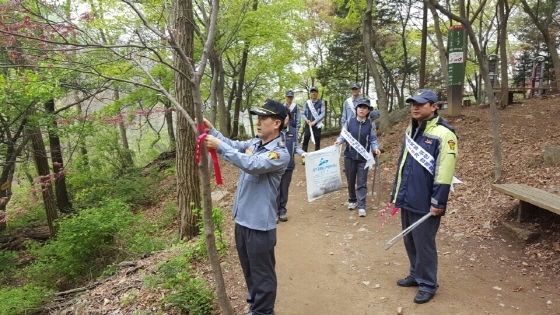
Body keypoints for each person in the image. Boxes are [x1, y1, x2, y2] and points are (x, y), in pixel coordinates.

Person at [204, 99, 290, 315]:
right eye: (258, 118)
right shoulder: (255, 144)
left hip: (260, 226)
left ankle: (263, 312)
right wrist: (212, 130)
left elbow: (252, 165)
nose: (258, 122)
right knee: (250, 271)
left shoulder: (279, 153)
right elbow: (233, 145)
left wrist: (219, 146)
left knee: (263, 275)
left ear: (277, 123)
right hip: (242, 221)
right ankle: (255, 307)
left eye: (263, 118)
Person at [390, 89, 458, 304]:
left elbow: (444, 171)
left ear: (434, 106)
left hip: (426, 201)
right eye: (413, 103)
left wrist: (438, 201)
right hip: (407, 197)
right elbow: (403, 164)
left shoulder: (444, 134)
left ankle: (428, 283)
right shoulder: (412, 129)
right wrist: (397, 194)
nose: (415, 107)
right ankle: (415, 274)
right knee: (410, 241)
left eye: (421, 103)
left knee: (424, 243)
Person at [334, 98, 381, 217]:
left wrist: (375, 148)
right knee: (350, 180)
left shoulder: (370, 124)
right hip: (349, 156)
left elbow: (373, 139)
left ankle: (361, 205)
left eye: (365, 108)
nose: (362, 109)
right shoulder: (349, 122)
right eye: (360, 107)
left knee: (361, 182)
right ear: (356, 109)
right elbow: (343, 136)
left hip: (363, 158)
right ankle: (352, 200)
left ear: (368, 111)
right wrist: (339, 141)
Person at [277, 108, 306, 222]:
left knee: (284, 189)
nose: (285, 118)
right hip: (275, 166)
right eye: (282, 116)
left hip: (289, 166)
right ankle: (274, 212)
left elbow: (296, 147)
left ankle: (282, 211)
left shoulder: (293, 131)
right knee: (275, 189)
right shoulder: (274, 131)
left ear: (289, 118)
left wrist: (303, 153)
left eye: (286, 116)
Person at [301, 86, 325, 165]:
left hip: (317, 125)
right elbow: (303, 113)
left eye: (315, 92)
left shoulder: (321, 102)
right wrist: (306, 120)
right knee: (305, 141)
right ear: (310, 93)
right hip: (308, 125)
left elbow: (323, 113)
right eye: (312, 92)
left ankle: (317, 158)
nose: (313, 93)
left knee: (317, 142)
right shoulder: (307, 103)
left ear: (317, 93)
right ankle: (304, 158)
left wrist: (315, 121)